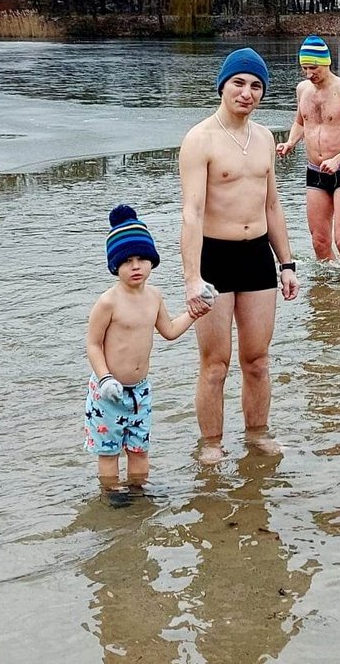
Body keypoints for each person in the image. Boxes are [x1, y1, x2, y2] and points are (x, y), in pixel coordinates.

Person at [179, 48, 299, 460]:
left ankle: (257, 434)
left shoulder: (265, 137)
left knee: (258, 360)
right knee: (216, 363)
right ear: (223, 86)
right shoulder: (200, 139)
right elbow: (191, 213)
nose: (247, 93)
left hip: (257, 259)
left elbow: (272, 206)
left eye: (256, 86)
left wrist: (287, 263)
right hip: (215, 257)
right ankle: (211, 443)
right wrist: (192, 277)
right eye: (239, 83)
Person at [85, 204, 210, 493]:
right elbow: (92, 344)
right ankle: (112, 497)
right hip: (108, 392)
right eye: (127, 260)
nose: (136, 266)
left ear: (152, 261)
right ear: (115, 265)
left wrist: (194, 312)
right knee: (109, 451)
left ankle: (139, 493)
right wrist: (104, 378)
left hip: (140, 391)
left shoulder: (154, 297)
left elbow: (168, 331)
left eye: (142, 258)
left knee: (139, 449)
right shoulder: (108, 302)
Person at [276, 34, 340, 266]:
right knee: (319, 242)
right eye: (304, 68)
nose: (309, 74)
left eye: (314, 68)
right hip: (315, 172)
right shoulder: (303, 89)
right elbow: (301, 122)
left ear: (327, 63)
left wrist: (338, 159)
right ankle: (327, 295)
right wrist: (290, 142)